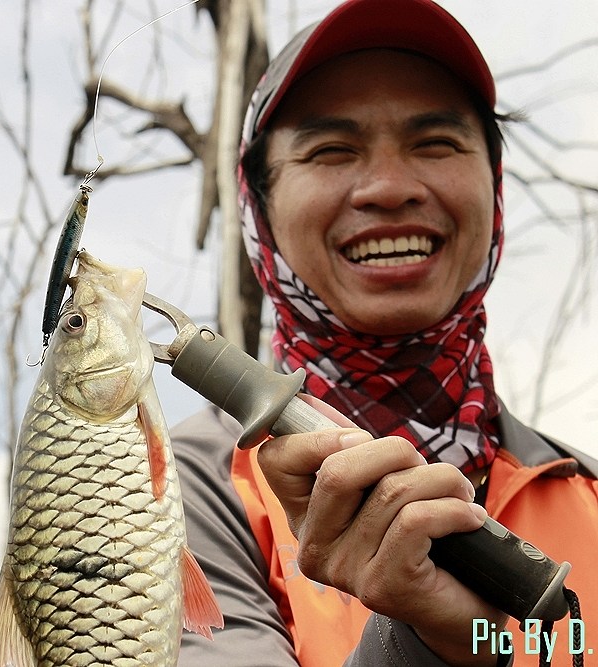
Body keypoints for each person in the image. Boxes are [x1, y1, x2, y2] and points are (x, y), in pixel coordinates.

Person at [171, 0, 598, 665]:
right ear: (259, 206)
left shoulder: (589, 498)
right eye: (332, 150)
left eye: (435, 142)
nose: (389, 187)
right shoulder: (171, 493)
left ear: (494, 188)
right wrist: (426, 645)